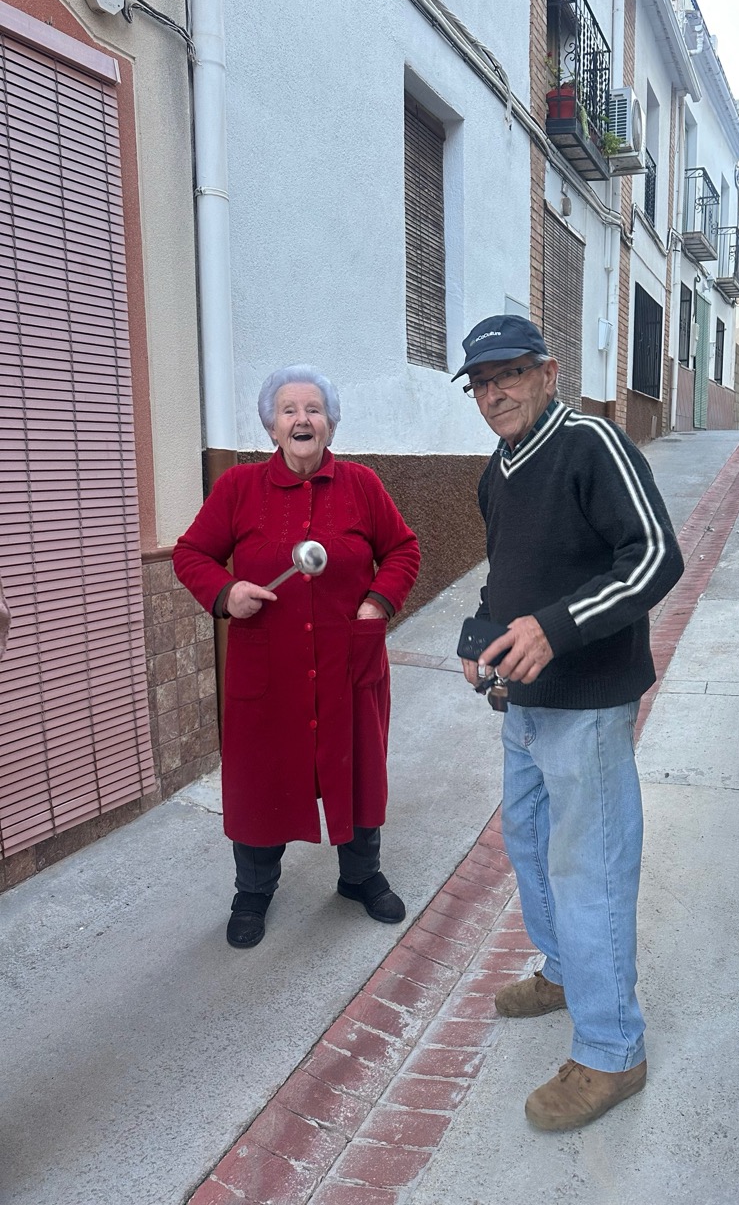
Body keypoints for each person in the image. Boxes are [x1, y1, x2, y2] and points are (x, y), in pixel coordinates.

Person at [454, 314, 683, 1132]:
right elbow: (507, 574)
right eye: (481, 382)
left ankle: (612, 1052)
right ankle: (561, 973)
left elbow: (657, 556)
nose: (495, 393)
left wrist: (556, 627)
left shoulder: (592, 442)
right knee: (530, 845)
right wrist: (481, 637)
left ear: (549, 373)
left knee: (591, 870)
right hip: (522, 701)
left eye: (509, 374)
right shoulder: (500, 469)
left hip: (587, 704)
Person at [173, 366, 420, 948]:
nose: (302, 419)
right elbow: (191, 554)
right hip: (269, 671)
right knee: (263, 780)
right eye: (289, 410)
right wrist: (226, 593)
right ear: (272, 427)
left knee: (357, 768)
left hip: (349, 663)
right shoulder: (238, 488)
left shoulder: (361, 484)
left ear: (329, 424)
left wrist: (376, 605)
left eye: (313, 409)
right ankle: (253, 891)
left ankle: (361, 876)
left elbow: (403, 550)